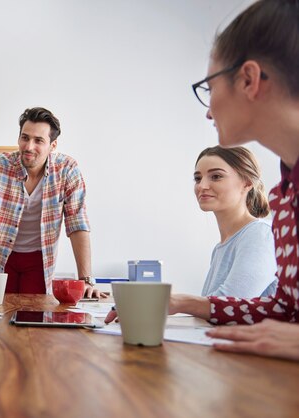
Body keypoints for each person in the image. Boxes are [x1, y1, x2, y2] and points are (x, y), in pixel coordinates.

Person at [107, 0, 299, 361]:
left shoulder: (264, 224)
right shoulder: (286, 194)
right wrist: (181, 301)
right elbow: (284, 312)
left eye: (208, 88)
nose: (208, 110)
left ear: (249, 79)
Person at [0, 107, 103, 298]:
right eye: (25, 138)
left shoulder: (67, 170)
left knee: (34, 316)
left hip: (39, 260)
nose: (29, 146)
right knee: (0, 316)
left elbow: (77, 223)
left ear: (53, 145)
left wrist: (86, 280)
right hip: (3, 259)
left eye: (38, 140)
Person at [194, 146, 277, 297]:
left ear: (247, 182)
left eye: (216, 176)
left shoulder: (260, 234)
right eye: (198, 178)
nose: (202, 186)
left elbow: (230, 302)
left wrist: (178, 303)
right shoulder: (220, 249)